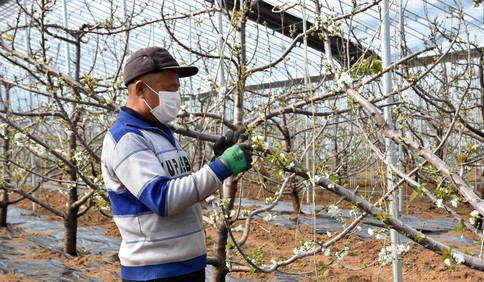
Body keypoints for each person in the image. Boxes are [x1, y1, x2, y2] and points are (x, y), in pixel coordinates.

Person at [101, 46, 252, 282]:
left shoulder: (160, 133)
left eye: (177, 90)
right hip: (155, 272)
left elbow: (182, 189)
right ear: (141, 89)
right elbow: (163, 199)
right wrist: (222, 167)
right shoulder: (127, 139)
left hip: (183, 268)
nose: (176, 97)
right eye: (170, 90)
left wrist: (215, 161)